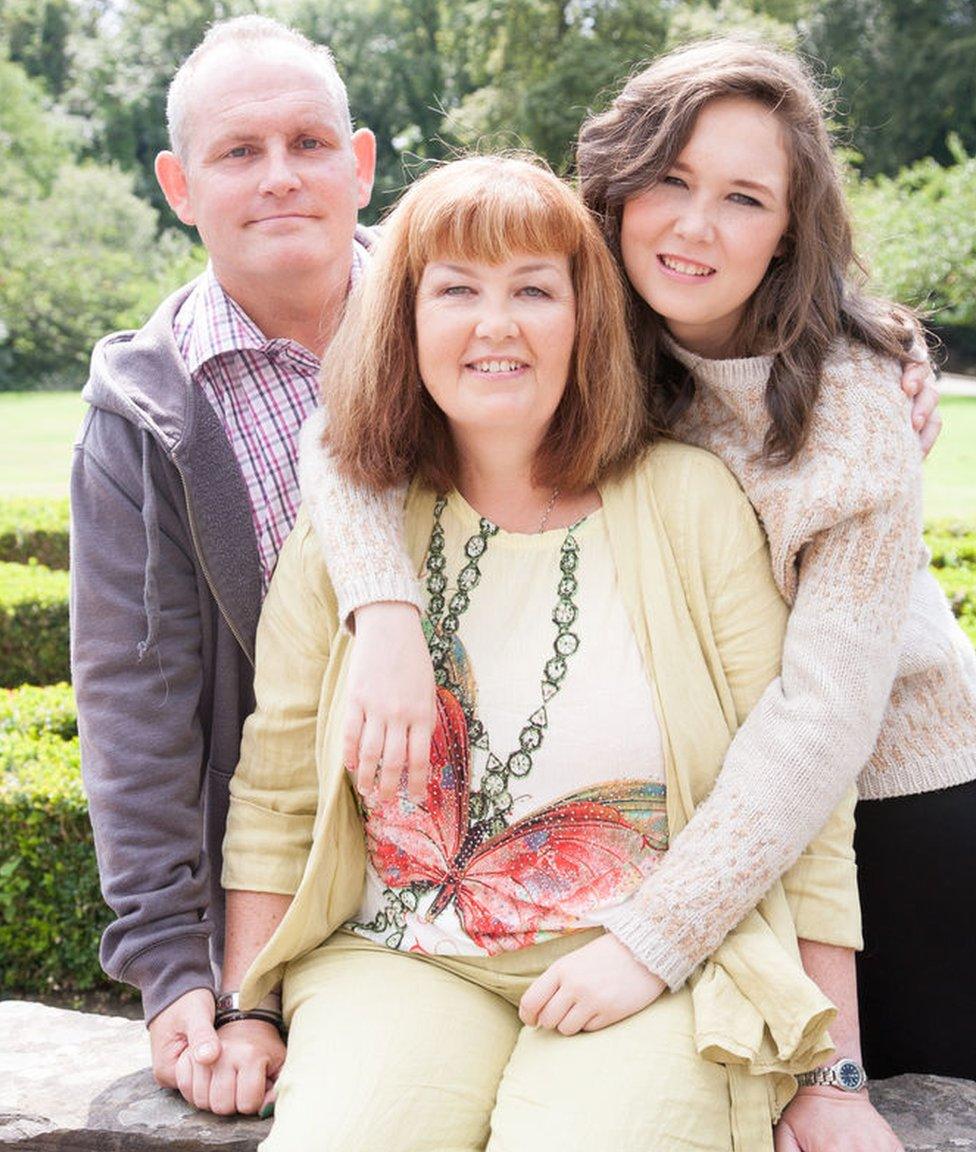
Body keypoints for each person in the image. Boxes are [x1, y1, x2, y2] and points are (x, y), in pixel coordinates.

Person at [299, 35, 976, 1107]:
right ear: (619, 181)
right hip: (709, 791)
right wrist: (383, 607)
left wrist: (653, 940)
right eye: (670, 178)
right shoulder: (571, 295)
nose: (696, 224)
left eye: (744, 198)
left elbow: (818, 723)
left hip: (887, 794)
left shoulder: (854, 411)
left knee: (882, 1107)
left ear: (790, 229)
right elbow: (350, 426)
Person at [197, 154, 894, 1152]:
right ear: (404, 321)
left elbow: (802, 812)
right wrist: (246, 1008)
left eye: (533, 290)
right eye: (456, 291)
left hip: (654, 967)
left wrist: (835, 1079)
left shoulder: (689, 505)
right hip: (398, 960)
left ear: (584, 318)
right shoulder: (353, 532)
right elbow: (275, 796)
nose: (496, 325)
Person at [69, 13, 375, 1091]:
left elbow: (690, 300)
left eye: (308, 143)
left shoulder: (480, 312)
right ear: (178, 185)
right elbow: (135, 704)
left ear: (361, 165)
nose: (280, 176)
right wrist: (175, 974)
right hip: (299, 893)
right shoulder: (145, 417)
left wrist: (872, 345)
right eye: (239, 152)